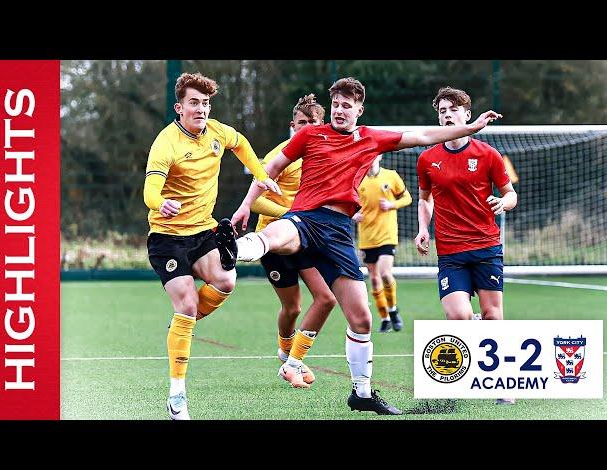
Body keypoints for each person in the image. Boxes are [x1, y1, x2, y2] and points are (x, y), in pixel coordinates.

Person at [215, 77, 501, 415]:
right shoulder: (309, 134)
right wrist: (246, 205)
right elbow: (269, 169)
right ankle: (237, 248)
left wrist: (471, 128)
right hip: (307, 217)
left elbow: (424, 136)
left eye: (346, 105)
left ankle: (361, 394)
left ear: (359, 110)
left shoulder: (371, 138)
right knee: (280, 233)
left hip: (339, 233)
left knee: (362, 318)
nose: (339, 110)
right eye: (335, 104)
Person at [143, 72, 279, 420]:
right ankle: (177, 397)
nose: (200, 109)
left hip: (202, 230)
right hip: (167, 237)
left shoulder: (218, 131)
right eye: (193, 103)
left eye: (205, 103)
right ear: (179, 107)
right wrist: (161, 203)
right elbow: (150, 192)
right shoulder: (166, 143)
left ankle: (180, 327)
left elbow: (241, 144)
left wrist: (260, 174)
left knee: (226, 282)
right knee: (187, 304)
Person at [414, 86, 517, 405]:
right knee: (458, 316)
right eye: (442, 111)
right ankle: (469, 329)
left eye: (452, 109)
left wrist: (505, 202)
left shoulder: (487, 154)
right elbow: (424, 199)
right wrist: (422, 229)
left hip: (486, 247)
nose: (446, 115)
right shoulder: (427, 157)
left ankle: (503, 386)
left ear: (467, 115)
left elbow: (510, 193)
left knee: (492, 315)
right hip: (450, 251)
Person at [250, 94, 336, 388]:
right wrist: (289, 214)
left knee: (326, 298)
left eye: (313, 121)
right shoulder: (280, 155)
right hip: (274, 240)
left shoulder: (326, 154)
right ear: (292, 125)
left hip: (307, 238)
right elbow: (256, 202)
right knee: (293, 308)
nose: (308, 127)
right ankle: (286, 352)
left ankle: (292, 362)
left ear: (322, 123)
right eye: (302, 122)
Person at [353, 154, 412, 333]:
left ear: (379, 156)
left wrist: (391, 204)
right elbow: (346, 203)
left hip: (387, 235)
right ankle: (385, 318)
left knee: (384, 273)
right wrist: (352, 214)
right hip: (367, 236)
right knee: (374, 278)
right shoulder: (357, 179)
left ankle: (393, 310)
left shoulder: (391, 176)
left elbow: (407, 198)